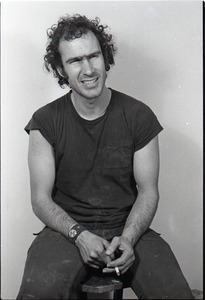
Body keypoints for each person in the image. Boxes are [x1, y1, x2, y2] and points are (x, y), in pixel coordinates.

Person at [17, 14, 193, 299]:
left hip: (128, 226)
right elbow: (40, 199)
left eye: (93, 56)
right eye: (75, 61)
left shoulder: (139, 115)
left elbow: (149, 191)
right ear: (61, 69)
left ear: (105, 57)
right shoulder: (45, 121)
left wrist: (129, 238)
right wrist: (79, 235)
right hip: (66, 231)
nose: (88, 69)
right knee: (37, 293)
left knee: (175, 294)